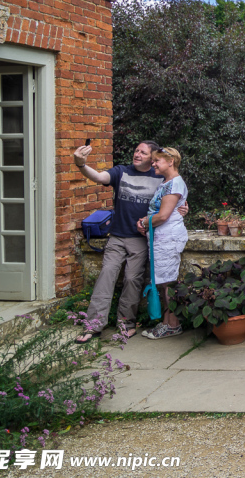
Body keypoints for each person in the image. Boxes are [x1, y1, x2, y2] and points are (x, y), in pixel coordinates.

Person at [71, 140, 177, 342]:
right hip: (117, 236)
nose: (137, 154)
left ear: (153, 158)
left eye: (143, 153)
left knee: (132, 279)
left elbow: (173, 201)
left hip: (140, 239)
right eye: (136, 150)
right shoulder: (122, 172)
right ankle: (93, 325)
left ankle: (126, 323)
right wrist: (81, 164)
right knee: (106, 276)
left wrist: (182, 208)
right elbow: (99, 176)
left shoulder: (160, 179)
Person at [137, 148, 189, 340]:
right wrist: (147, 222)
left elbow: (163, 215)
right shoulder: (166, 184)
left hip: (168, 239)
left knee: (168, 282)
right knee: (163, 281)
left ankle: (173, 324)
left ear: (171, 162)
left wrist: (143, 222)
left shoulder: (174, 184)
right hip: (160, 238)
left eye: (157, 161)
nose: (153, 164)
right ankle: (167, 323)